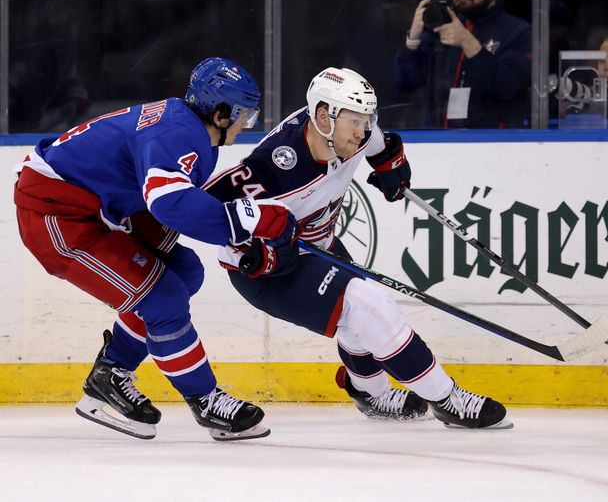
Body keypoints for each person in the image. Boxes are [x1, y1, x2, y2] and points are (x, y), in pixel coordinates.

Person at [204, 66, 511, 429]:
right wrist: (256, 252)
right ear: (323, 117)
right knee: (371, 305)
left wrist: (388, 164)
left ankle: (371, 394)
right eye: (355, 122)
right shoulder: (272, 167)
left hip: (318, 243)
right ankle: (446, 399)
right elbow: (203, 208)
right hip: (268, 269)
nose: (362, 131)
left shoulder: (351, 132)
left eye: (367, 120)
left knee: (358, 319)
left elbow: (377, 142)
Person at [13, 57, 296, 441]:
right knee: (163, 296)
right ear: (221, 112)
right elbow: (170, 204)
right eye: (245, 113)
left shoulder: (195, 131)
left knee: (184, 272)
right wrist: (251, 221)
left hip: (99, 207)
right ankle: (205, 399)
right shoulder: (178, 134)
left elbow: (173, 205)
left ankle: (110, 374)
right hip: (56, 215)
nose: (249, 123)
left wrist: (243, 232)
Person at [393, 0, 531, 129]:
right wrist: (413, 39)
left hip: (491, 143)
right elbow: (405, 83)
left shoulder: (517, 31)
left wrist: (467, 42)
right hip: (435, 139)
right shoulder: (440, 27)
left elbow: (508, 87)